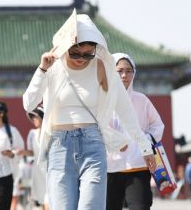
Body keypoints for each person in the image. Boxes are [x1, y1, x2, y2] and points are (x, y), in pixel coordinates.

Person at [22, 12, 156, 210]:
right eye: (75, 53)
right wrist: (42, 70)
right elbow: (29, 103)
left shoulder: (102, 67)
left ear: (96, 48)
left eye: (88, 54)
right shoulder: (53, 67)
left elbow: (125, 110)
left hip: (93, 144)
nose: (81, 59)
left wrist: (145, 147)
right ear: (67, 46)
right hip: (60, 145)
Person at [106, 53, 165, 210]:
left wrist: (145, 140)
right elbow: (96, 127)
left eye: (129, 70)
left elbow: (158, 126)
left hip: (138, 164)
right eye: (119, 71)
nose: (124, 75)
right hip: (110, 166)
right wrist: (115, 141)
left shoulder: (142, 100)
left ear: (134, 72)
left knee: (141, 207)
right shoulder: (103, 100)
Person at [17, 106, 48, 210]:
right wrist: (22, 152)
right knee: (42, 198)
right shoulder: (32, 133)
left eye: (36, 117)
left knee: (50, 198)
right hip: (38, 170)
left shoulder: (50, 132)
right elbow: (32, 152)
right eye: (32, 117)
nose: (33, 119)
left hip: (50, 168)